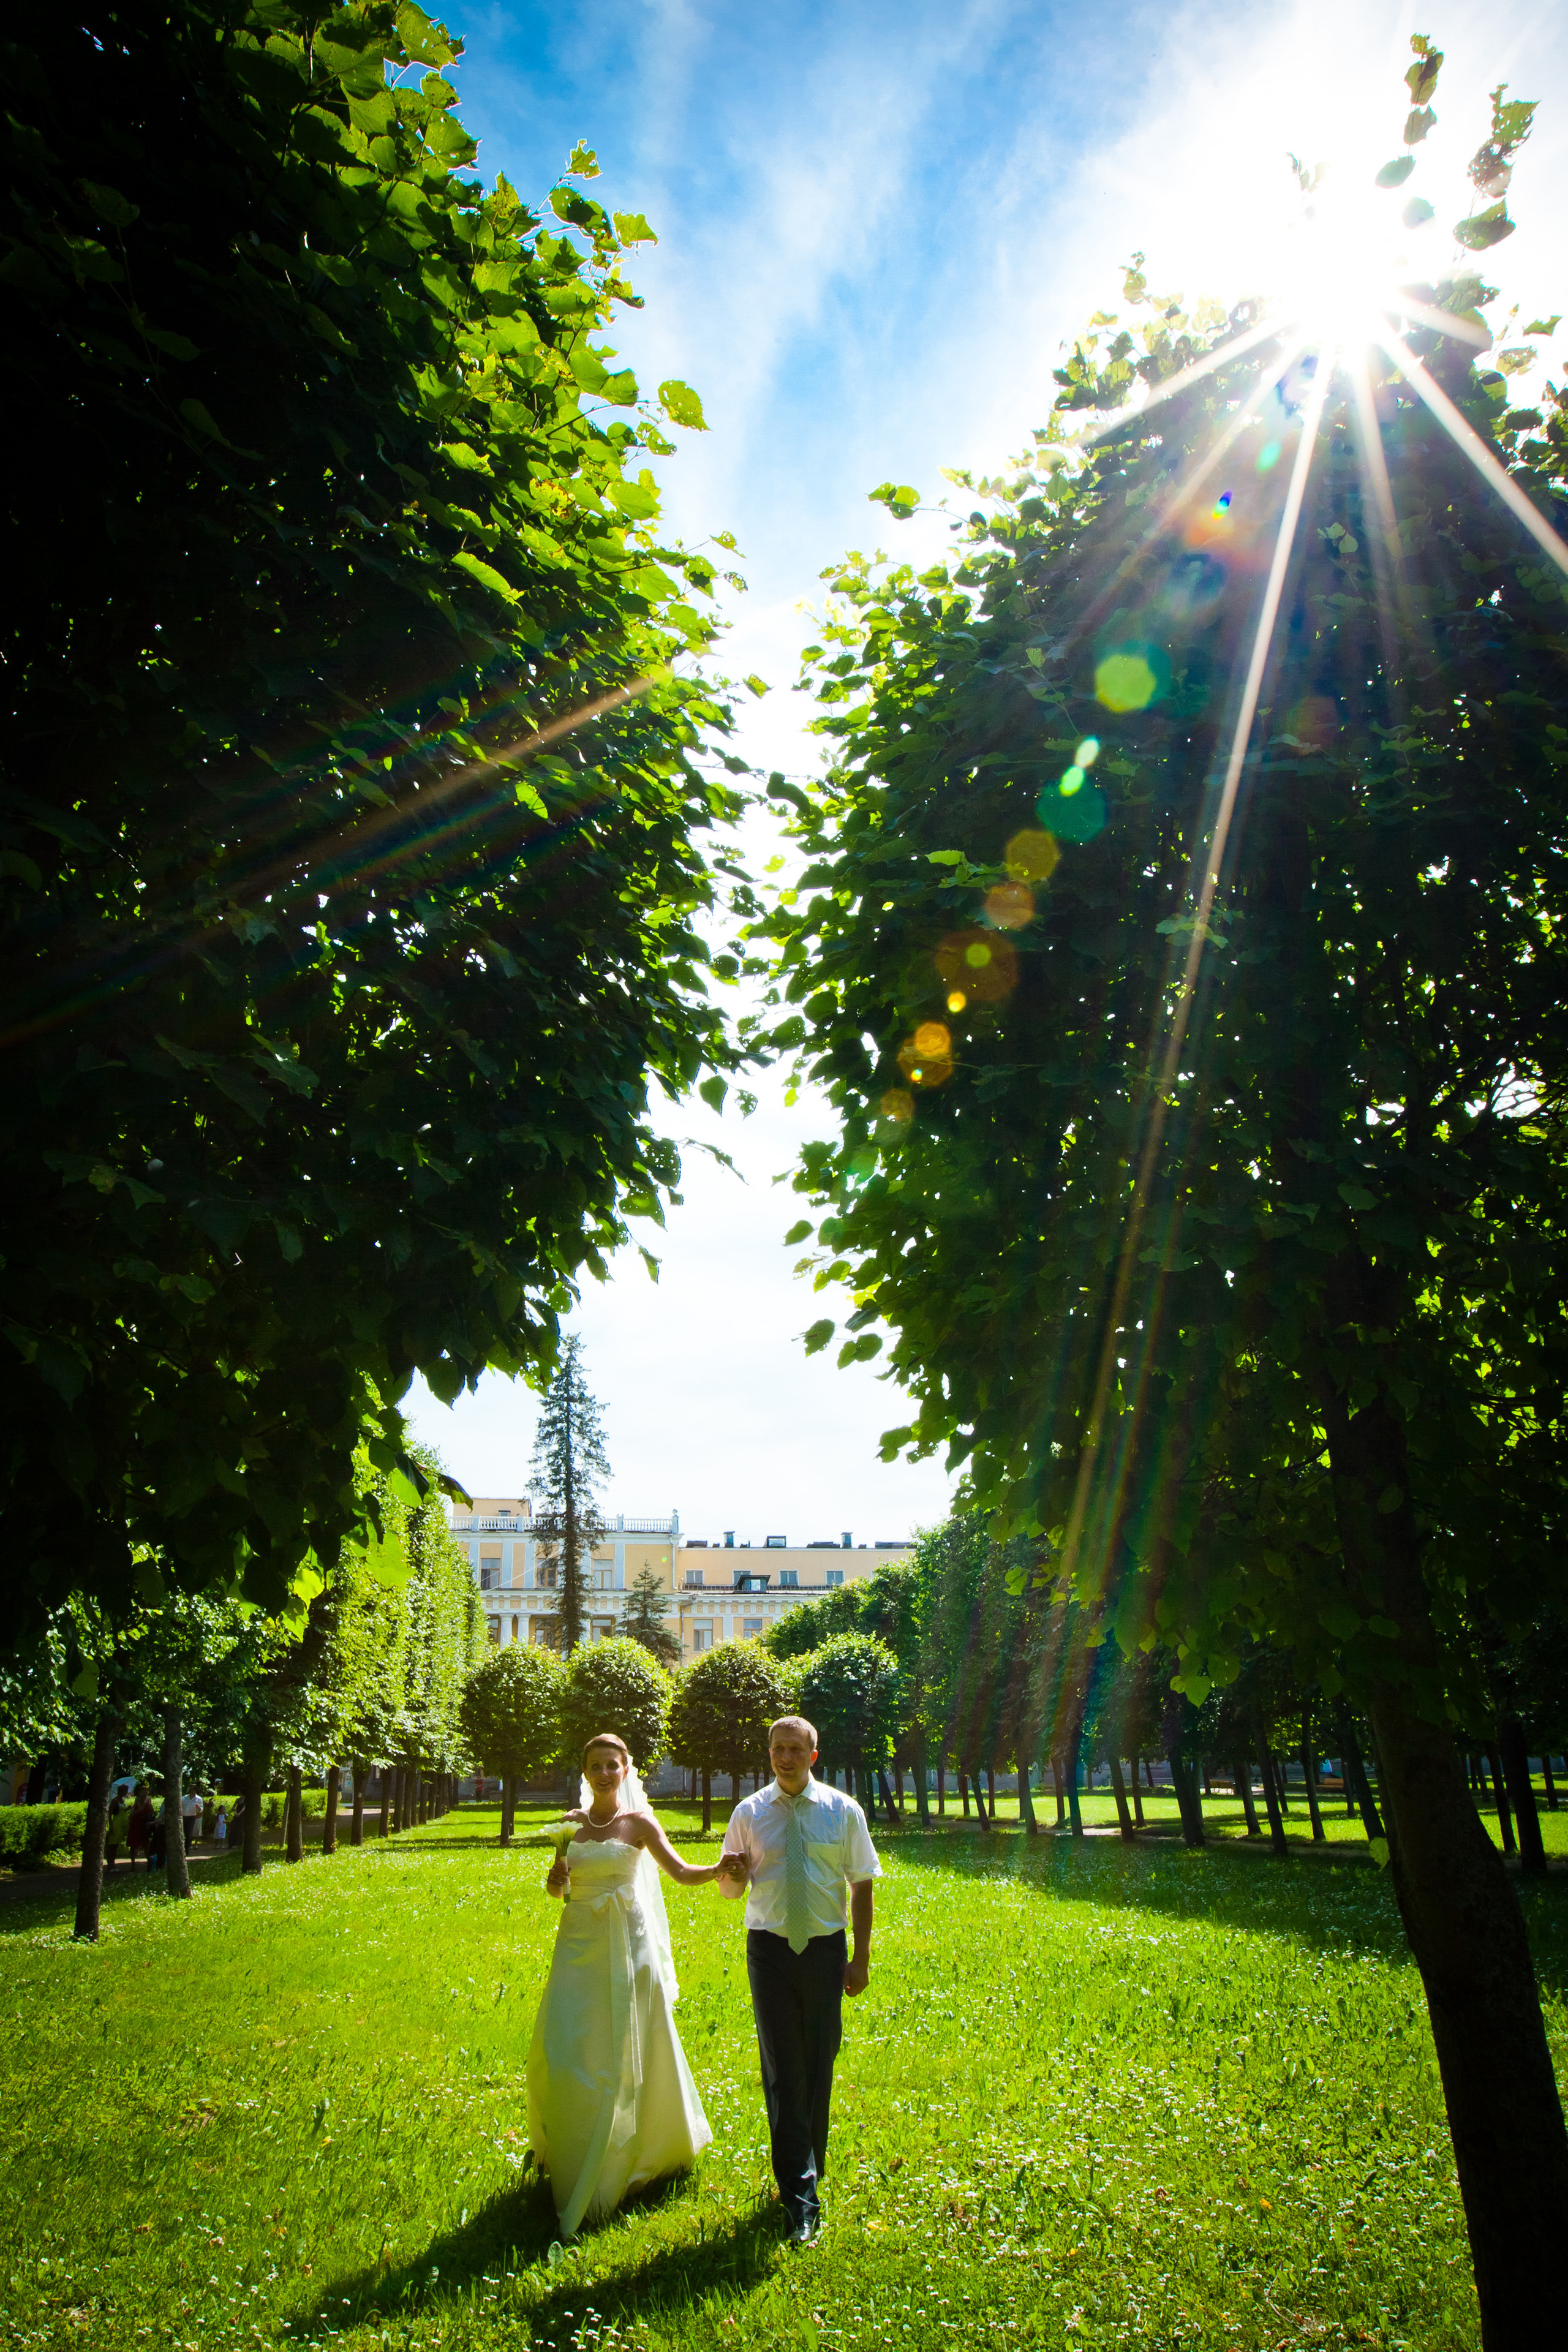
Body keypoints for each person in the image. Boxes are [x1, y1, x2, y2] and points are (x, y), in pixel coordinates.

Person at [527, 1732, 726, 2239]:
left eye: (612, 1765)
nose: (604, 1773)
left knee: (632, 2041)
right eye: (595, 1765)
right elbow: (559, 1892)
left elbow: (680, 1873)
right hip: (578, 1947)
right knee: (571, 2041)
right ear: (585, 1770)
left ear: (626, 1769)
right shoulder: (570, 1826)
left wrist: (720, 1868)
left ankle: (641, 2146)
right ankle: (572, 2138)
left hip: (629, 1945)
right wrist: (556, 1880)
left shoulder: (639, 1824)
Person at [717, 1715, 880, 2245]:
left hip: (825, 1952)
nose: (784, 1757)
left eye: (795, 1749)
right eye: (776, 1749)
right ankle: (800, 2196)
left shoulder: (842, 1811)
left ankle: (810, 2163)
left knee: (818, 2060)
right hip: (769, 1950)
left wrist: (860, 1959)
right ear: (768, 1754)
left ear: (813, 1755)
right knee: (784, 2067)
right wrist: (733, 1877)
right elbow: (729, 1892)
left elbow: (861, 1885)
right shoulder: (749, 1813)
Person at [127, 1787, 153, 1869]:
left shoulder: (148, 1805)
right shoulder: (135, 1806)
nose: (142, 1798)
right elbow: (130, 1816)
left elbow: (153, 1815)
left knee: (146, 1845)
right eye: (140, 1797)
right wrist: (135, 1813)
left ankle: (149, 1862)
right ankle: (133, 1864)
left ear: (146, 1797)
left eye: (143, 1797)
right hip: (135, 1826)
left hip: (144, 1828)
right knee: (133, 1846)